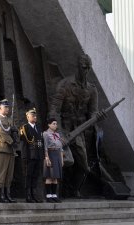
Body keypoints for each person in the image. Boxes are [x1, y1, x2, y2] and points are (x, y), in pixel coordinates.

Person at [48, 53, 106, 197]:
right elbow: (54, 111)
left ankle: (72, 189)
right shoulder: (65, 84)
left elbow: (92, 113)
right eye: (83, 67)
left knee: (84, 167)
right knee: (61, 161)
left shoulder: (92, 90)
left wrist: (97, 117)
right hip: (63, 128)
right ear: (78, 67)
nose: (86, 71)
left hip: (79, 131)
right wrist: (59, 133)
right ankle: (54, 192)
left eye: (88, 68)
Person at [0, 99, 18, 203]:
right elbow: (0, 132)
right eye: (5, 107)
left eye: (8, 107)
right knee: (2, 173)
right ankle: (1, 195)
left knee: (9, 174)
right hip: (2, 148)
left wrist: (16, 133)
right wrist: (11, 141)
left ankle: (8, 194)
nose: (7, 109)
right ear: (0, 108)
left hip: (11, 150)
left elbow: (14, 131)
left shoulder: (10, 120)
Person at [20, 108, 44, 203]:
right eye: (32, 115)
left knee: (35, 175)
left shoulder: (38, 127)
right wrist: (25, 156)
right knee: (28, 175)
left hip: (38, 155)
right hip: (29, 155)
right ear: (27, 116)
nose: (34, 117)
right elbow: (24, 142)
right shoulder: (24, 128)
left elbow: (41, 142)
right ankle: (28, 195)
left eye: (35, 115)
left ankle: (34, 195)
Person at [43, 118, 64, 203]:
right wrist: (47, 158)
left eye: (56, 124)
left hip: (57, 155)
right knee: (49, 176)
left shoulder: (57, 135)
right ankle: (48, 196)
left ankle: (54, 195)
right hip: (50, 155)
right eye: (53, 124)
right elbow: (45, 147)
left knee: (55, 177)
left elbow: (61, 148)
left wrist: (62, 159)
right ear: (49, 124)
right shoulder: (46, 134)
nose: (55, 125)